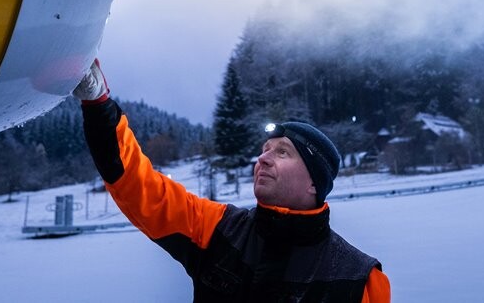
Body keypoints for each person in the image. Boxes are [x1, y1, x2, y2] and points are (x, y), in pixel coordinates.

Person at [73, 60, 391, 302]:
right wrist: (98, 104)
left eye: (283, 153)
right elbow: (138, 187)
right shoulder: (218, 228)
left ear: (314, 183)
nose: (262, 159)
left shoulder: (360, 279)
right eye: (264, 150)